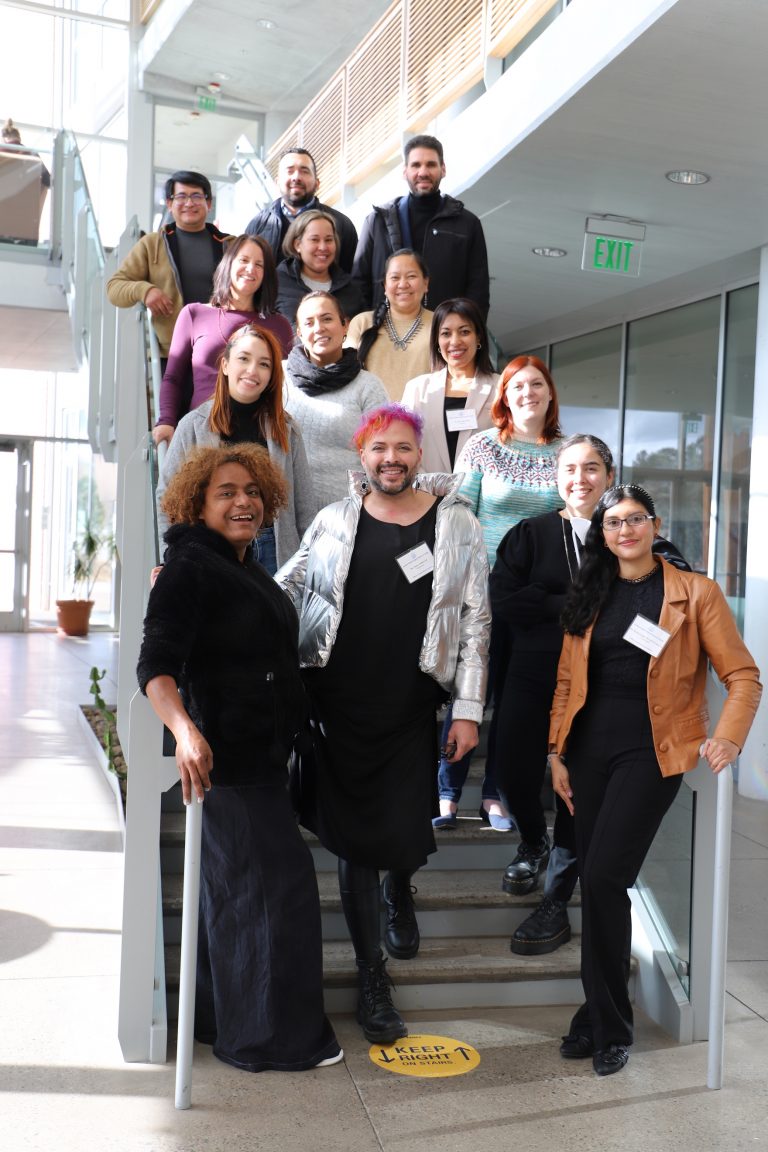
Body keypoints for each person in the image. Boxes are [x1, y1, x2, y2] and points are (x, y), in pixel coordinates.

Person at [276, 404, 490, 1045]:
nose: (390, 458)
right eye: (378, 448)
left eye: (402, 447)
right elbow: (287, 587)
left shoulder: (457, 525)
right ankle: (373, 977)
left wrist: (470, 708)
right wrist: (210, 581)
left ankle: (401, 888)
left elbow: (477, 621)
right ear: (360, 455)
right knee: (352, 840)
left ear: (419, 454)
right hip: (336, 707)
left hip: (408, 706)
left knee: (398, 827)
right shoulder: (333, 520)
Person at [136, 443, 342, 1073]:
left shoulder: (242, 566)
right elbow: (156, 668)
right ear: (197, 504)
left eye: (252, 491)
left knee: (235, 897)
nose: (243, 501)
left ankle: (218, 1021)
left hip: (260, 764)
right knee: (275, 900)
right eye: (225, 492)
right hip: (227, 768)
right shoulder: (190, 569)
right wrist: (186, 733)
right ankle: (268, 1040)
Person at [549, 483, 761, 1077]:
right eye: (613, 522)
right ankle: (596, 1013)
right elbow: (566, 683)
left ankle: (611, 1028)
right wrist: (556, 752)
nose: (625, 531)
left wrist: (728, 737)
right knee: (599, 889)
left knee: (604, 876)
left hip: (653, 751)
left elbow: (744, 675)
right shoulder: (590, 592)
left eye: (635, 519)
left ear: (654, 523)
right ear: (603, 533)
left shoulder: (695, 594)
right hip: (588, 751)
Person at [492, 436, 693, 954]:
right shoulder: (530, 534)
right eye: (570, 469)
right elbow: (505, 601)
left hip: (595, 689)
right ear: (555, 477)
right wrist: (580, 600)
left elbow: (673, 594)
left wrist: (545, 598)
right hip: (532, 673)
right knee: (515, 773)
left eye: (592, 468)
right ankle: (531, 839)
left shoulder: (628, 533)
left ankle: (556, 901)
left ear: (608, 474)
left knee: (576, 797)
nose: (580, 478)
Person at [436, 356, 563, 830]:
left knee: (514, 704)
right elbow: (459, 508)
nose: (527, 392)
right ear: (503, 398)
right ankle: (447, 792)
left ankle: (496, 795)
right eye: (517, 387)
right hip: (485, 589)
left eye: (537, 384)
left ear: (550, 394)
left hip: (540, 600)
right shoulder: (484, 446)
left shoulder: (568, 451)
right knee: (469, 691)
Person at [156, 325, 314, 573]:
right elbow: (166, 497)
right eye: (244, 359)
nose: (253, 370)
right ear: (226, 365)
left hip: (275, 546)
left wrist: (308, 564)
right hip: (213, 547)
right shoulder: (193, 425)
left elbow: (304, 505)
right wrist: (171, 556)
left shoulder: (287, 428)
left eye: (264, 364)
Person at [154, 234, 293, 446]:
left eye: (259, 264)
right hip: (203, 430)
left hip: (258, 434)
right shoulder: (194, 314)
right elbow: (173, 377)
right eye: (244, 260)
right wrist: (166, 420)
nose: (250, 269)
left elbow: (284, 386)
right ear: (228, 264)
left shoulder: (279, 325)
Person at [352, 134, 489, 317]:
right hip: (385, 336)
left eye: (431, 165)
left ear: (443, 169)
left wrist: (467, 333)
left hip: (443, 336)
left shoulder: (468, 224)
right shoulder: (377, 222)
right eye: (416, 165)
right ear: (405, 171)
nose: (423, 172)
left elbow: (478, 290)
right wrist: (369, 334)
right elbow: (358, 285)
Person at [106, 170, 230, 358]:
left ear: (209, 203)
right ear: (170, 204)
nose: (189, 203)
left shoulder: (231, 245)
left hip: (223, 349)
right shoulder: (151, 244)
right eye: (181, 196)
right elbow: (114, 289)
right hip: (172, 353)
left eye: (197, 196)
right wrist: (145, 291)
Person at [283, 292, 388, 508]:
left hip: (350, 512)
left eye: (327, 319)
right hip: (287, 512)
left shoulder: (368, 386)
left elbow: (384, 454)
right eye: (309, 323)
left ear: (345, 326)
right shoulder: (278, 377)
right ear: (300, 333)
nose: (319, 328)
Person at [402, 298, 497, 472]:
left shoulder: (501, 386)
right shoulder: (417, 389)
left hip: (483, 495)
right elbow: (404, 445)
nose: (455, 342)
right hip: (427, 492)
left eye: (465, 332)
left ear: (479, 337)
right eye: (446, 334)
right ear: (437, 342)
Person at [245, 148, 358, 272]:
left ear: (317, 183)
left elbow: (351, 277)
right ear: (277, 182)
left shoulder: (341, 224)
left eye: (304, 171)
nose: (296, 177)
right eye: (289, 171)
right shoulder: (258, 224)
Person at [346, 250, 433, 401]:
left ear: (426, 283)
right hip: (371, 419)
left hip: (424, 418)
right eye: (395, 278)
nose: (403, 284)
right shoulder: (362, 322)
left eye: (411, 276)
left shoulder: (441, 323)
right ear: (385, 286)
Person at [276, 210, 364, 330]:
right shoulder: (277, 284)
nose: (323, 247)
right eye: (314, 240)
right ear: (297, 245)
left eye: (328, 240)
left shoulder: (350, 289)